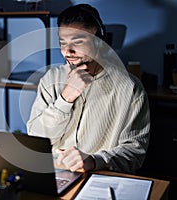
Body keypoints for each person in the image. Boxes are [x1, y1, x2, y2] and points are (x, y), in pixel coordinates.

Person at [26, 4, 150, 174]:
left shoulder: (130, 88)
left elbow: (135, 153)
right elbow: (36, 138)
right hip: (54, 174)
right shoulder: (50, 80)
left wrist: (94, 161)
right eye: (63, 43)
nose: (68, 51)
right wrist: (65, 99)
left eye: (78, 42)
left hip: (100, 176)